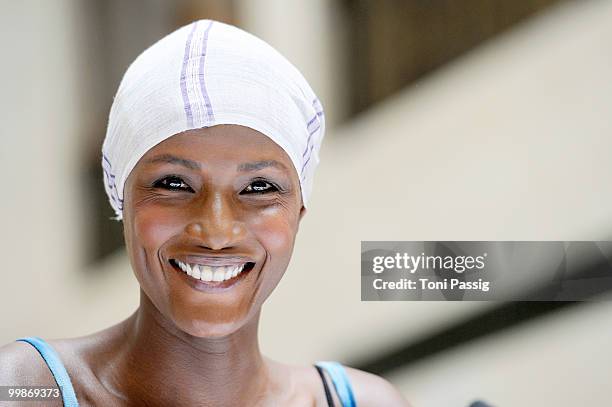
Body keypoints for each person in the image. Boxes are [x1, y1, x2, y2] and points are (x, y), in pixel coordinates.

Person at [0, 19, 411, 406]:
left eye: (259, 188)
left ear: (298, 213)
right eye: (174, 184)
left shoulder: (361, 401)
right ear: (121, 201)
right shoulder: (22, 388)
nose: (216, 231)